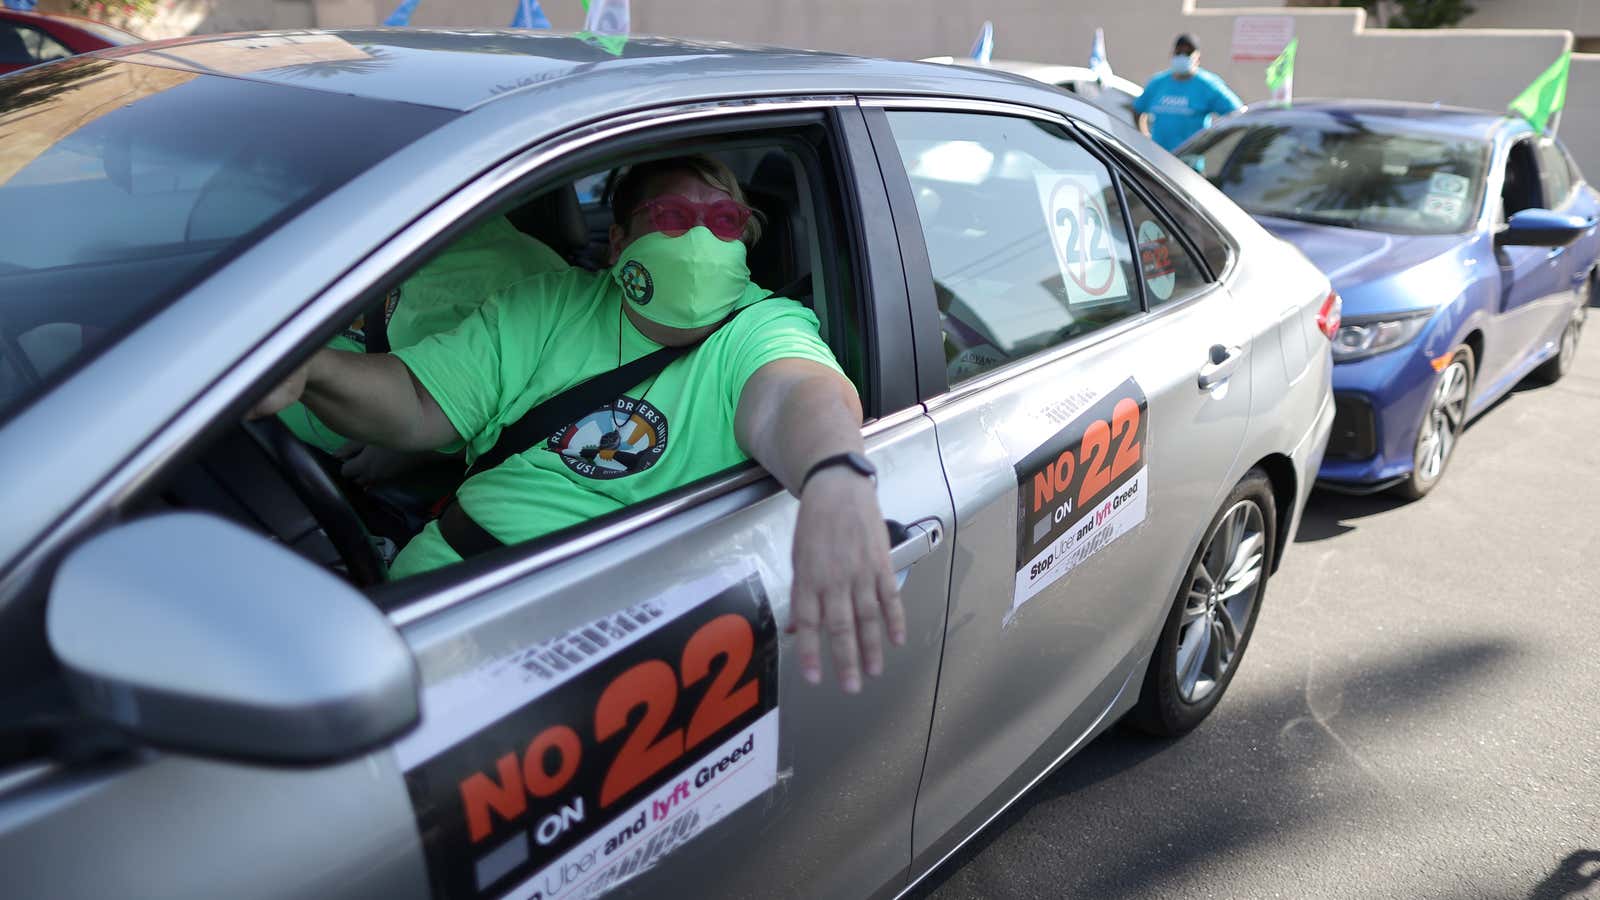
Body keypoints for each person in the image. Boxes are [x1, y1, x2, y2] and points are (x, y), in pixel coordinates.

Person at [252, 154, 903, 694]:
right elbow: (417, 405)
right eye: (672, 218)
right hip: (439, 594)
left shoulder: (762, 327)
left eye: (725, 220)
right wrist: (313, 370)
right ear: (619, 241)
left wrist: (835, 475)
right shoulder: (552, 304)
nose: (701, 240)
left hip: (582, 635)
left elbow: (795, 393)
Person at [279, 214, 569, 482]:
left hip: (328, 475)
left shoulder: (533, 282)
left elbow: (533, 422)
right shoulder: (347, 237)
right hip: (261, 425)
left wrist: (423, 451)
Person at [1132, 34, 1243, 152]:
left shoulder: (1208, 85)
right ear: (1171, 54)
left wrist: (1213, 142)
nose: (1182, 57)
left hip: (1189, 162)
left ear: (1198, 58)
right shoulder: (1157, 83)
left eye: (1187, 53)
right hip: (1157, 159)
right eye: (1178, 52)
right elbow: (1137, 109)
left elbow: (1237, 113)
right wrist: (1144, 137)